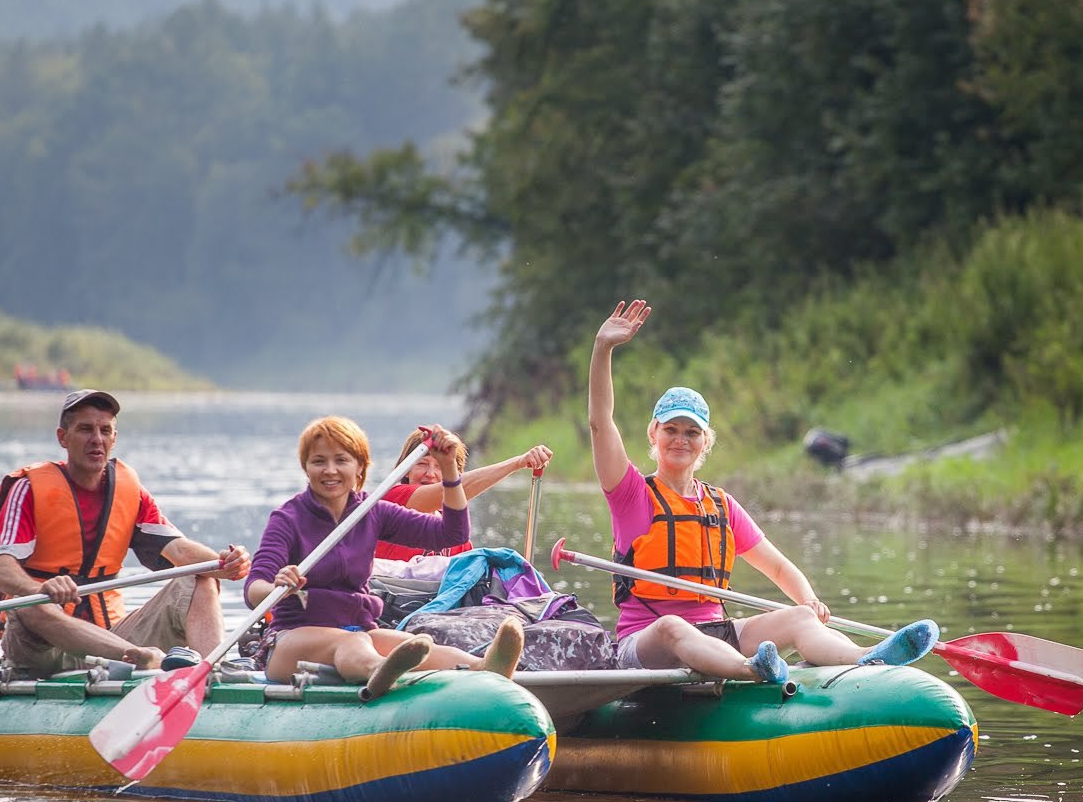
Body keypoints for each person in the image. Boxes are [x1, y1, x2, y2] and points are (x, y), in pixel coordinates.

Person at [586, 300, 938, 682]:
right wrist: (602, 348)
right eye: (671, 430)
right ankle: (751, 671)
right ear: (654, 433)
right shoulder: (631, 495)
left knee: (801, 618)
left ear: (706, 441)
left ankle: (865, 656)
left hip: (716, 634)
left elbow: (778, 567)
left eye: (692, 432)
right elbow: (600, 421)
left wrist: (808, 600)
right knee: (674, 625)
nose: (680, 440)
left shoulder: (720, 505)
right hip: (647, 642)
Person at [246, 415, 524, 700]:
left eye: (341, 460)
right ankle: (381, 671)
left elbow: (451, 534)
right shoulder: (288, 518)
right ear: (306, 467)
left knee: (416, 644)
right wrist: (277, 589)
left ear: (360, 467)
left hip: (360, 630)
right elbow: (254, 590)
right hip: (292, 638)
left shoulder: (372, 512)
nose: (330, 470)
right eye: (319, 461)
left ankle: (485, 668)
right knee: (354, 643)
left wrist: (450, 467)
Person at [0, 389, 250, 678]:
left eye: (105, 431)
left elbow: (179, 550)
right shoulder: (28, 489)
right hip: (42, 645)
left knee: (199, 574)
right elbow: (2, 570)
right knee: (30, 605)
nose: (96, 440)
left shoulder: (130, 492)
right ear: (63, 437)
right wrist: (40, 590)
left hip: (110, 635)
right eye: (85, 429)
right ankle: (135, 657)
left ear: (114, 438)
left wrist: (225, 564)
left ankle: (211, 672)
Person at [373, 428, 555, 561]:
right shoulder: (392, 500)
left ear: (454, 472)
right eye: (422, 463)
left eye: (440, 466)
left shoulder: (455, 531)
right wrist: (518, 463)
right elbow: (451, 489)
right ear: (406, 470)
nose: (430, 473)